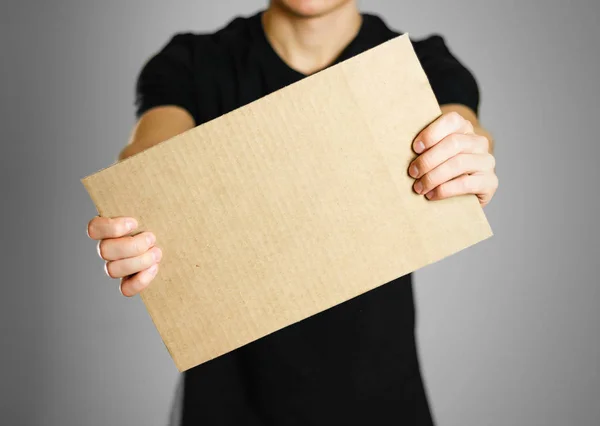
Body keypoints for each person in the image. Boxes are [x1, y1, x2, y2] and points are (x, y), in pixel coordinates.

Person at [87, 0, 498, 424]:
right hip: (229, 401)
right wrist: (135, 212)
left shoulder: (419, 63)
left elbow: (461, 125)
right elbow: (151, 151)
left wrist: (466, 156)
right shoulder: (193, 62)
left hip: (381, 398)